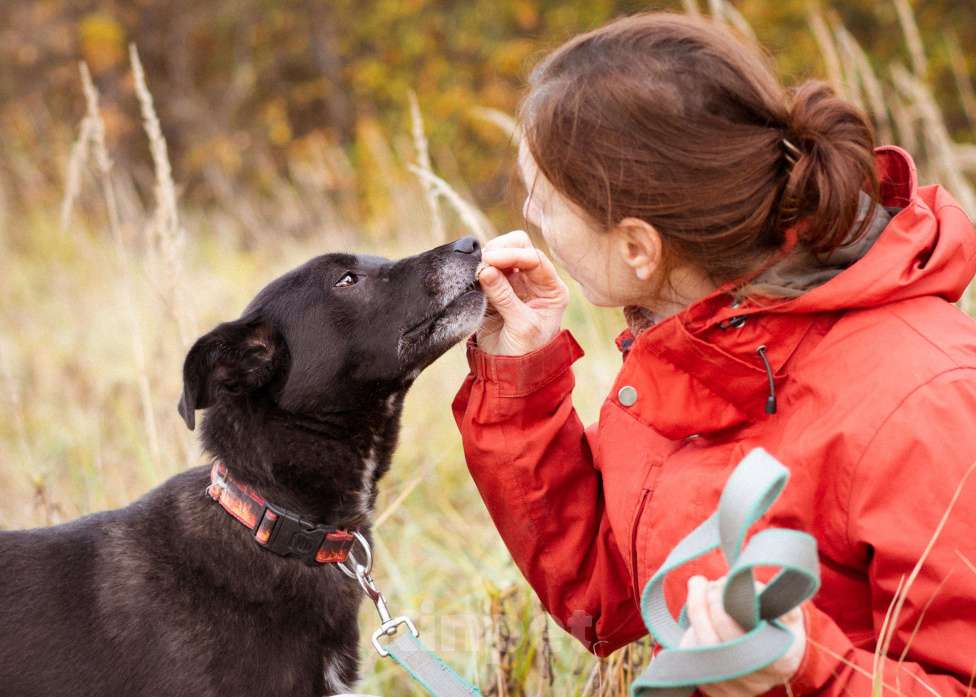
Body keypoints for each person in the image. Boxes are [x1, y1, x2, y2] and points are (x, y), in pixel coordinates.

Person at [451, 12, 976, 697]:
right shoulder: (687, 350)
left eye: (545, 198)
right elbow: (608, 594)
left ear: (638, 248)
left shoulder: (926, 400)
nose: (533, 222)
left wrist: (806, 670)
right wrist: (522, 380)